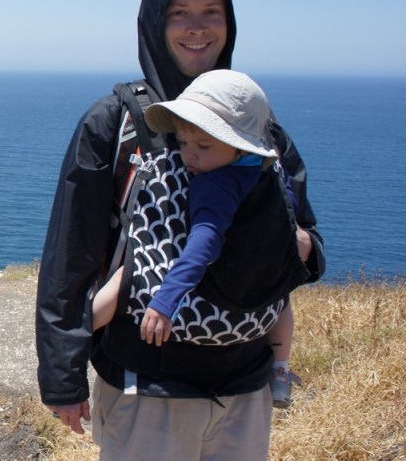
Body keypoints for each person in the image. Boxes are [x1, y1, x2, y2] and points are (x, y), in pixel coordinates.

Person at [35, 0, 325, 461]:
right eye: (178, 13)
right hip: (146, 390)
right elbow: (70, 253)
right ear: (153, 23)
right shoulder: (115, 121)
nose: (197, 27)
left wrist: (301, 248)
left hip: (245, 388)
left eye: (212, 11)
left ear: (229, 23)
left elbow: (306, 235)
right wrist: (62, 377)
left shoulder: (259, 127)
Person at [89, 69, 299, 408]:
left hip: (195, 319)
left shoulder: (213, 184)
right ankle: (281, 370)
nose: (189, 156)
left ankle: (76, 344)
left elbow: (204, 244)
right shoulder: (270, 169)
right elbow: (291, 213)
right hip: (260, 299)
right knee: (282, 299)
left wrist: (165, 301)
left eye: (204, 145)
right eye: (184, 143)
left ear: (236, 143)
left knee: (120, 284)